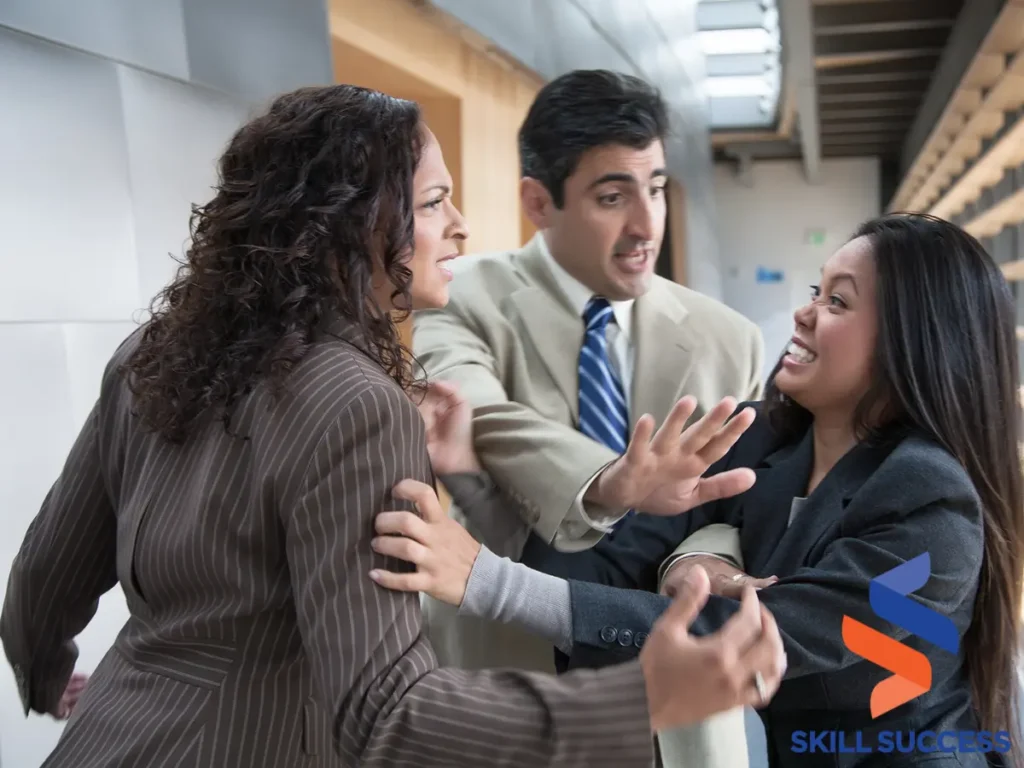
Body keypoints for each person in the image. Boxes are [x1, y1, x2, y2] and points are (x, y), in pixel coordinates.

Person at [0, 84, 787, 768]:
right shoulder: (358, 403)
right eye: (436, 202)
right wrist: (642, 698)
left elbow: (39, 588)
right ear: (357, 222)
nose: (462, 227)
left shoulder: (149, 351)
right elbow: (385, 716)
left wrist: (49, 674)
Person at [372, 213, 1024, 767]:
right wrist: (468, 478)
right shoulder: (758, 442)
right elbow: (606, 569)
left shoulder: (930, 500)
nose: (802, 312)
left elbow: (747, 638)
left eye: (838, 302)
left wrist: (482, 578)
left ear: (914, 341)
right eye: (815, 290)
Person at [412, 68, 763, 766]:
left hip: (676, 709)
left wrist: (701, 557)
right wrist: (610, 482)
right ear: (539, 202)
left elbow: (740, 502)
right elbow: (474, 410)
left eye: (656, 188)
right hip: (508, 680)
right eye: (613, 196)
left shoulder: (731, 339)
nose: (646, 225)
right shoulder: (461, 293)